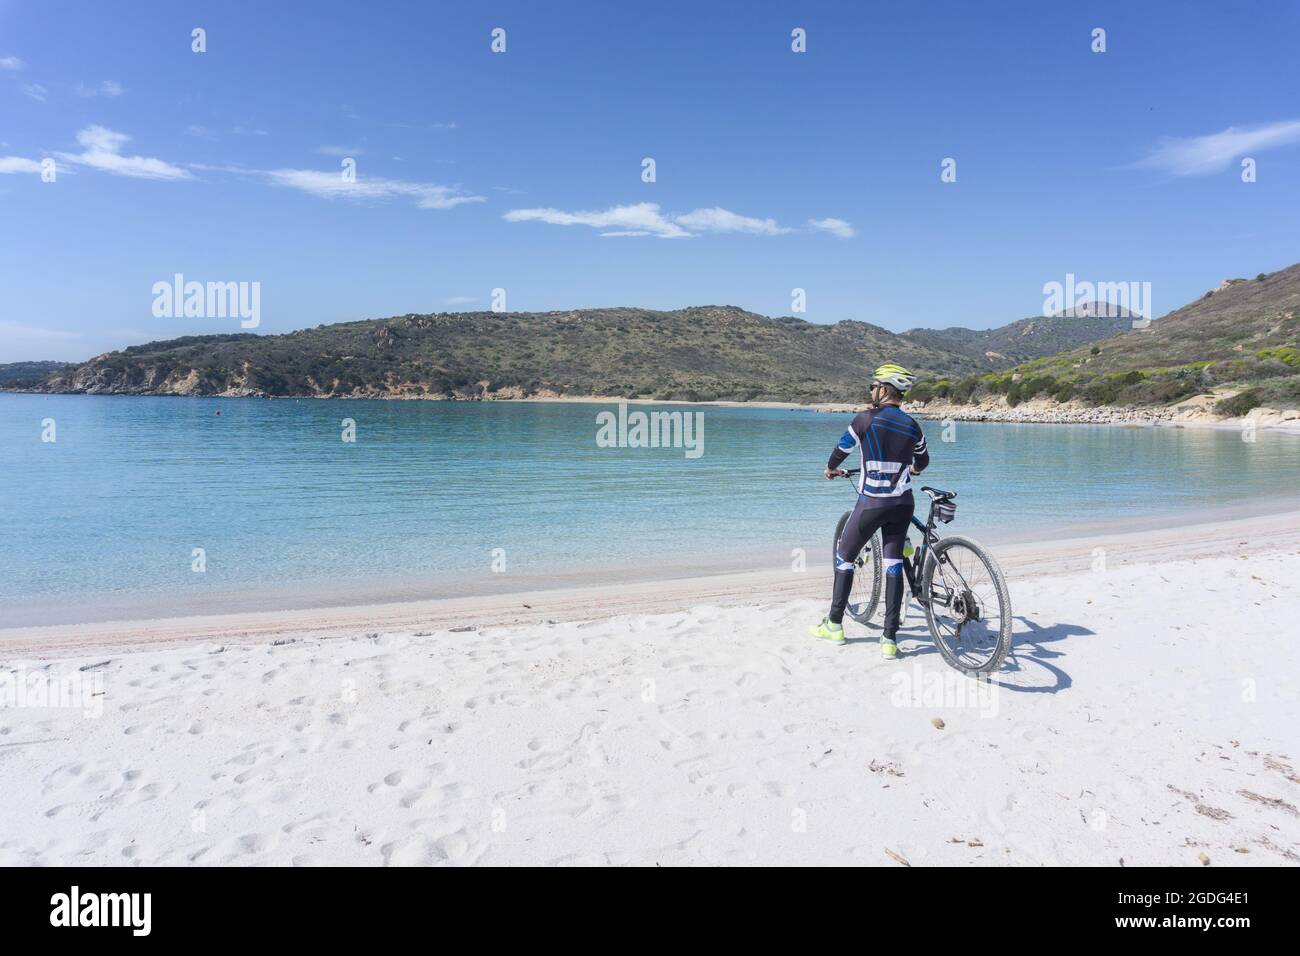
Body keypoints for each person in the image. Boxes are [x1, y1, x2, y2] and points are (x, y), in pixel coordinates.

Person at [809, 363, 929, 659]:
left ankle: (834, 624)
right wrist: (911, 468)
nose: (871, 391)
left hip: (872, 503)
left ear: (884, 389)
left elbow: (842, 449)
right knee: (893, 564)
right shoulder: (913, 425)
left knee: (845, 556)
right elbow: (923, 461)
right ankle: (889, 640)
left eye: (873, 386)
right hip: (903, 503)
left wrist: (830, 469)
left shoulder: (864, 419)